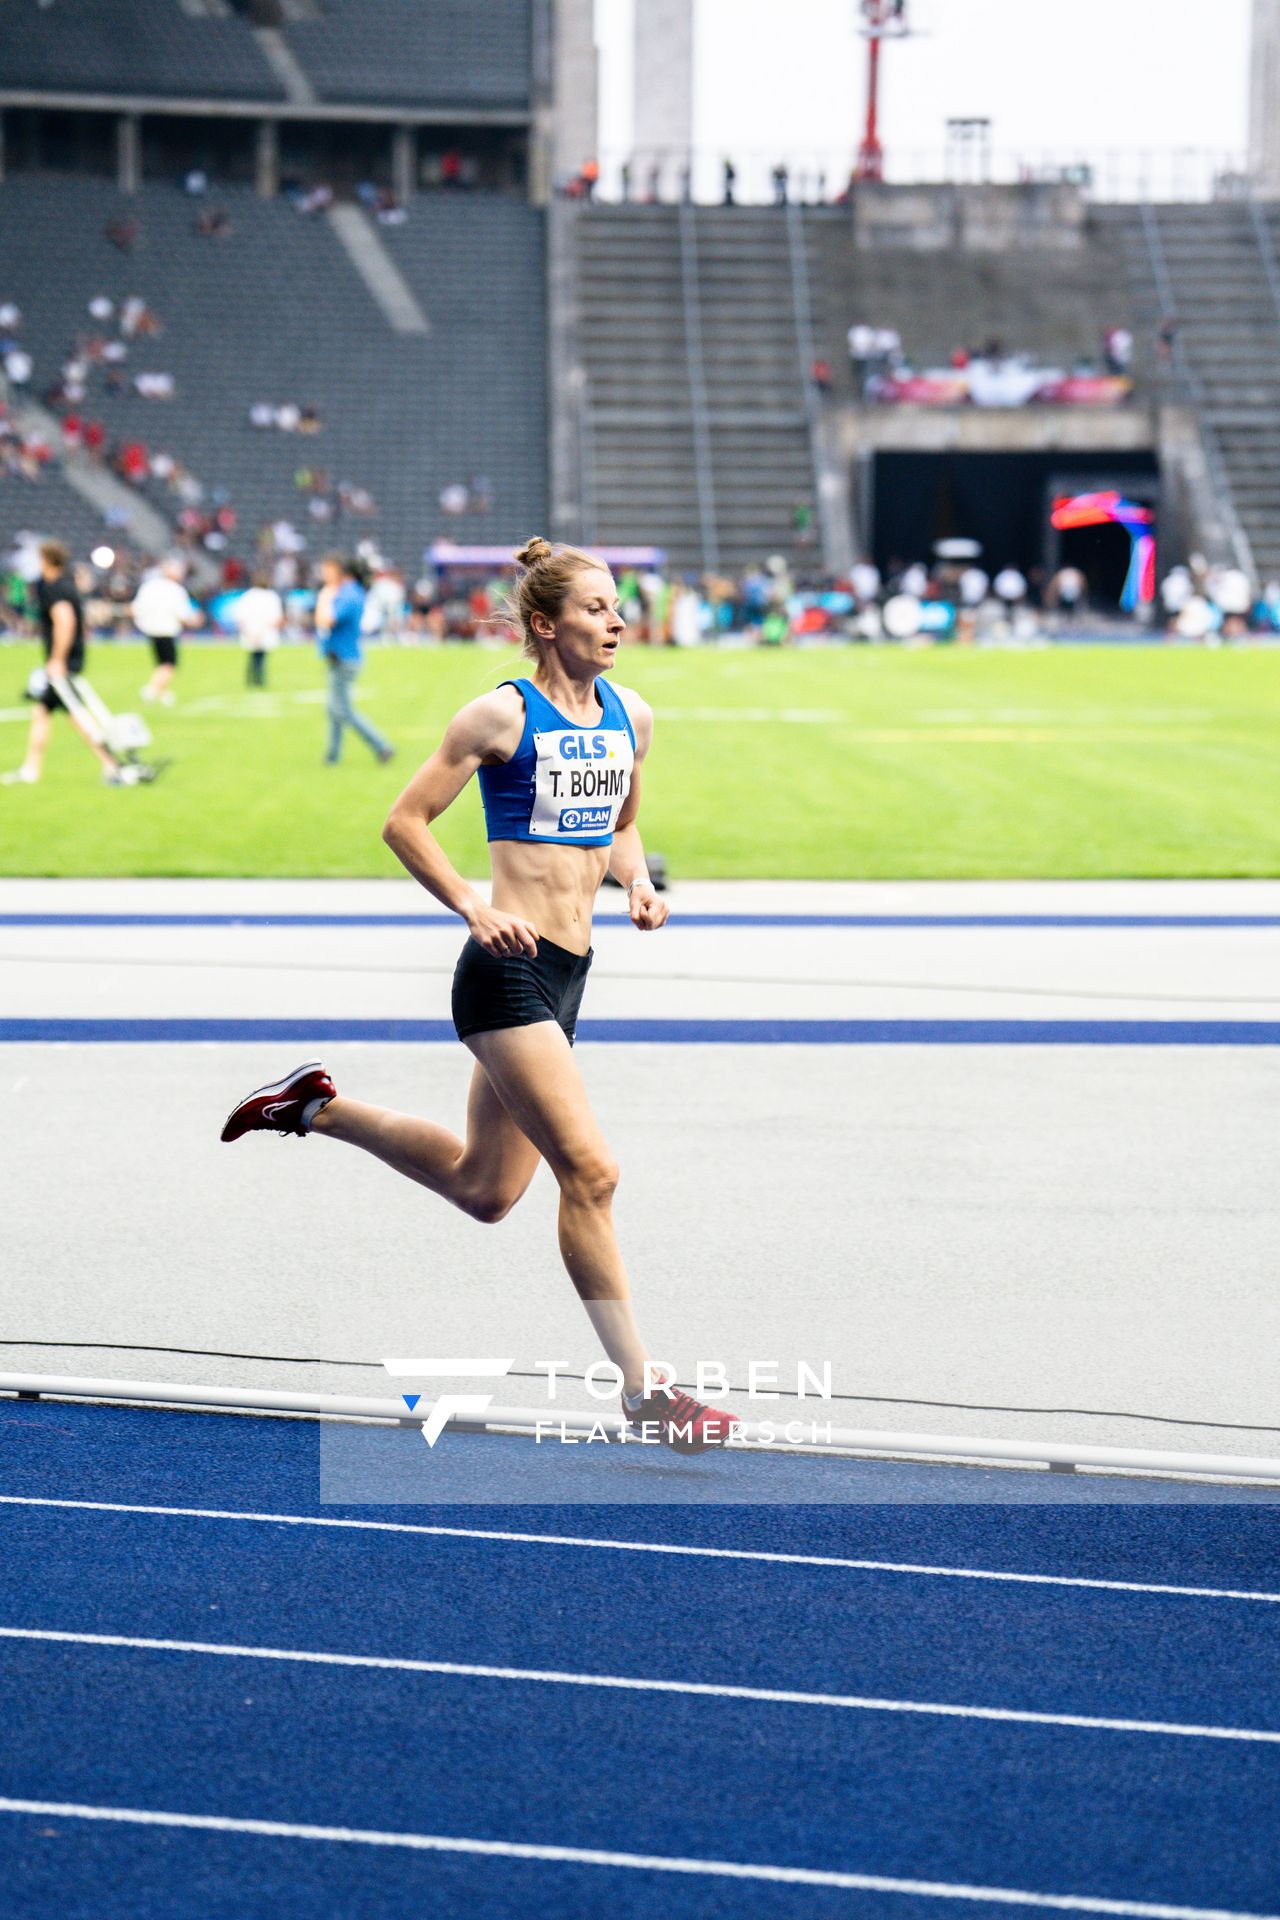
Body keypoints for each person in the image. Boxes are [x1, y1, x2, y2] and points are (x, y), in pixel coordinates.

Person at [221, 538, 733, 1454]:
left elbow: (618, 822)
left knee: (485, 1189)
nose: (617, 622)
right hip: (505, 968)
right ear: (546, 623)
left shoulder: (632, 716)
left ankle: (316, 1109)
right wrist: (469, 905)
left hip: (569, 975)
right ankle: (643, 1390)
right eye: (594, 609)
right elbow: (403, 821)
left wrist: (638, 883)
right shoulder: (500, 717)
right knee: (593, 1174)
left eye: (618, 607)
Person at [2, 540, 152, 786]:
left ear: (47, 560)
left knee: (79, 719)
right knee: (42, 713)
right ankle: (31, 769)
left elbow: (65, 621)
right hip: (65, 661)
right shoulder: (62, 586)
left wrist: (57, 660)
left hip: (62, 664)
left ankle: (113, 765)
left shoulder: (56, 589)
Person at [313, 553, 394, 765]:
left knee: (342, 710)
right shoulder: (352, 592)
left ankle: (381, 745)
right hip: (342, 657)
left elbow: (326, 620)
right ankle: (332, 755)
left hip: (344, 658)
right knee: (335, 710)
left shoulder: (347, 594)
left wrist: (324, 598)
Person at [134, 556, 201, 704]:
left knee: (160, 663)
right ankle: (151, 689)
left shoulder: (149, 587)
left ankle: (164, 693)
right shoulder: (176, 590)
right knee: (169, 664)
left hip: (150, 629)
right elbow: (183, 614)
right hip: (167, 629)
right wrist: (195, 621)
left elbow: (137, 608)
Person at [235, 571, 285, 686]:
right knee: (261, 657)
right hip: (265, 631)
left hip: (251, 630)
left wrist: (247, 630)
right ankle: (259, 680)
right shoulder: (271, 596)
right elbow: (276, 617)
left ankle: (251, 679)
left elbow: (240, 616)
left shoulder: (248, 596)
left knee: (253, 656)